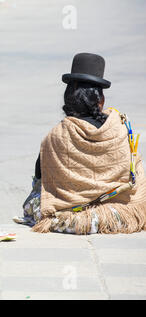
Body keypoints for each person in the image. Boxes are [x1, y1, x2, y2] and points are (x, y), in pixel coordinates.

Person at [15, 53, 146, 234]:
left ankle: (80, 219)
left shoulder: (57, 135)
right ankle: (102, 218)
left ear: (69, 97)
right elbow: (134, 169)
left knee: (35, 203)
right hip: (117, 209)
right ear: (101, 100)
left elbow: (40, 176)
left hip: (69, 210)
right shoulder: (120, 127)